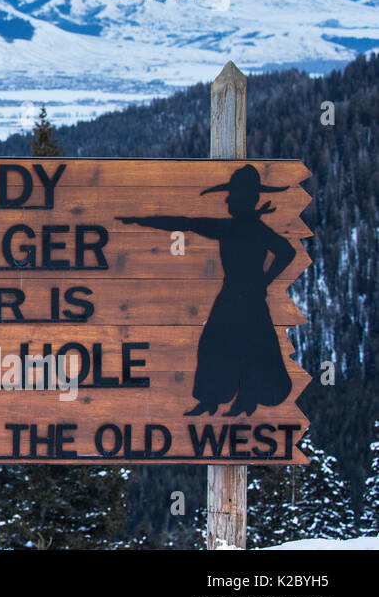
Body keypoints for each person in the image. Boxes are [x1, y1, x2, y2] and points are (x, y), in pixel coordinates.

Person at [116, 164, 296, 416]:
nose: (228, 199)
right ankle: (218, 401)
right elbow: (187, 223)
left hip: (244, 297)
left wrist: (265, 281)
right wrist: (141, 220)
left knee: (237, 346)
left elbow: (287, 252)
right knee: (225, 345)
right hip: (237, 296)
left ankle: (237, 400)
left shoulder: (245, 228)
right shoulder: (241, 227)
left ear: (246, 198)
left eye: (233, 195)